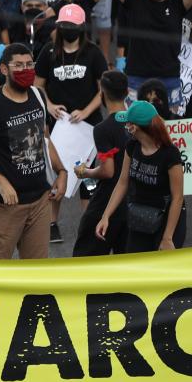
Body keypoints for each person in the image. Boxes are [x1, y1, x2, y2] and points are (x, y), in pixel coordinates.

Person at [0, 44, 66, 260]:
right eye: (18, 65)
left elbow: (43, 138)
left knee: (36, 274)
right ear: (4, 70)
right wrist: (0, 180)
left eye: (29, 64)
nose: (25, 69)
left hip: (39, 201)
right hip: (3, 206)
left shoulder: (38, 96)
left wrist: (61, 171)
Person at [95, 100, 185, 252]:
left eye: (127, 123)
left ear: (134, 127)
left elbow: (178, 197)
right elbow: (122, 183)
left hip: (166, 221)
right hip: (140, 218)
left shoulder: (170, 154)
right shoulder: (132, 147)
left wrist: (167, 238)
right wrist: (105, 216)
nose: (125, 127)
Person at [72, 70, 132, 256]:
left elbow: (107, 171)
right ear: (127, 92)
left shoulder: (103, 129)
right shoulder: (139, 123)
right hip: (133, 202)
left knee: (86, 259)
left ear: (102, 93)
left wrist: (85, 172)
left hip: (107, 201)